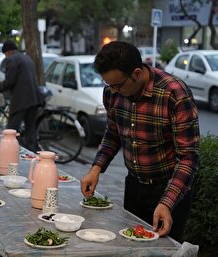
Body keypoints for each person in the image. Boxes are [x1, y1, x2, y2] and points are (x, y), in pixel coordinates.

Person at [80, 41, 200, 243]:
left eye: (118, 85)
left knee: (163, 250)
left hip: (170, 188)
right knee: (130, 245)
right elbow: (113, 133)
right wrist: (96, 168)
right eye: (109, 85)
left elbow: (188, 158)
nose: (113, 91)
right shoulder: (112, 92)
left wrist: (167, 203)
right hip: (134, 186)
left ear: (136, 73)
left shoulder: (174, 93)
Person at [0, 40, 40, 152]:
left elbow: (9, 82)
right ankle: (30, 153)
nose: (5, 56)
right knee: (30, 128)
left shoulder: (12, 60)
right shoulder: (26, 58)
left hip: (21, 99)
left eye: (5, 54)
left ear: (8, 52)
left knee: (11, 129)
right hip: (34, 98)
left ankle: (8, 151)